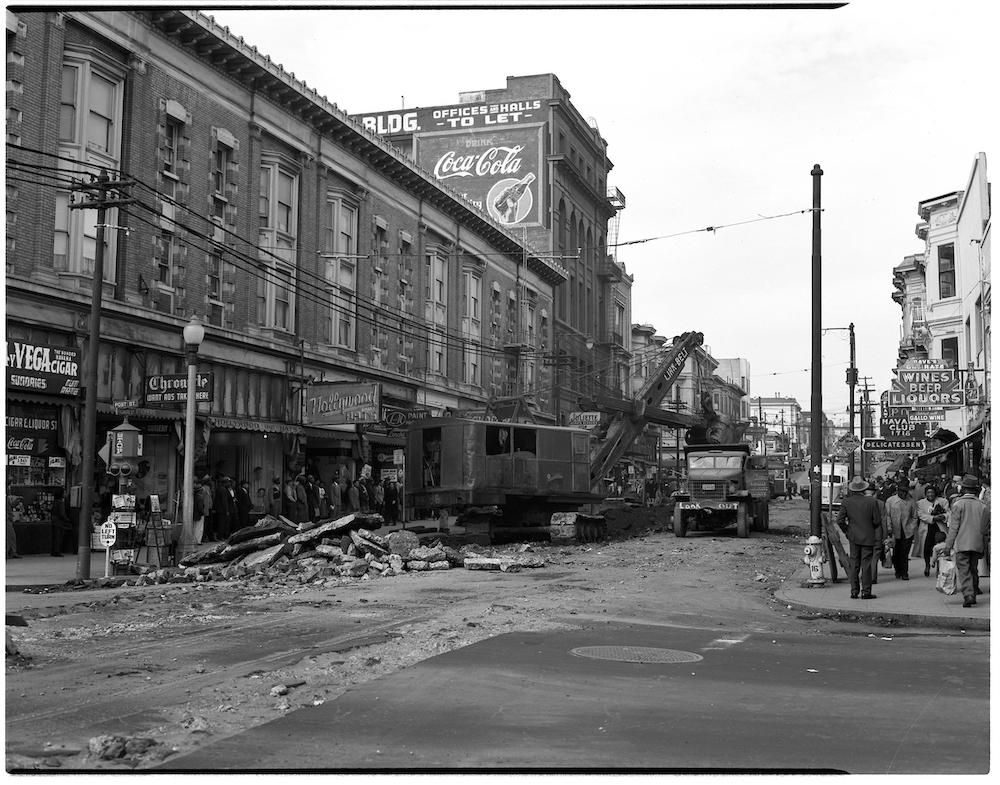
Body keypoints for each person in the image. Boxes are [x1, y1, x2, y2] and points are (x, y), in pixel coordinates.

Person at [943, 474, 990, 608]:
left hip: (962, 544)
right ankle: (974, 589)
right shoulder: (983, 506)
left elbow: (953, 528)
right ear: (975, 490)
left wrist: (948, 546)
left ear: (963, 489)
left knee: (964, 570)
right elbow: (984, 529)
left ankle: (969, 594)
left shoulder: (958, 505)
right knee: (973, 569)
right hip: (977, 543)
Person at [836, 475, 884, 599]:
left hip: (853, 537)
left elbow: (840, 520)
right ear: (864, 489)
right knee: (866, 564)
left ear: (852, 490)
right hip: (868, 536)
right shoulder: (872, 502)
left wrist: (848, 531)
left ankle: (854, 591)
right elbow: (877, 521)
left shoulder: (847, 502)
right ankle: (866, 591)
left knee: (854, 564)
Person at [885, 480, 918, 580]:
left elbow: (914, 516)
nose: (903, 493)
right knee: (896, 552)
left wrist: (912, 527)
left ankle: (904, 572)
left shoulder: (911, 501)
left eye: (905, 491)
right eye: (901, 491)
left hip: (907, 531)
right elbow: (887, 516)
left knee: (904, 552)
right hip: (895, 530)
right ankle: (897, 570)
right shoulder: (890, 501)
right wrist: (889, 527)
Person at [916, 485, 949, 577]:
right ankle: (927, 565)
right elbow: (920, 515)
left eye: (932, 492)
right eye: (928, 493)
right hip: (927, 528)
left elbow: (948, 512)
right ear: (925, 494)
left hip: (939, 528)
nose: (930, 494)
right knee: (926, 548)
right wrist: (933, 518)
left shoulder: (943, 501)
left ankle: (939, 567)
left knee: (940, 548)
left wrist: (943, 516)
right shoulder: (920, 503)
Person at [49, 487, 74, 556]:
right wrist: (67, 520)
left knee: (55, 537)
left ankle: (54, 551)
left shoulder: (55, 502)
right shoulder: (61, 502)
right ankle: (57, 551)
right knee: (58, 537)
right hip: (59, 522)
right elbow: (62, 513)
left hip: (54, 520)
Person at [213, 476, 236, 541]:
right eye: (228, 482)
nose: (229, 484)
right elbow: (224, 501)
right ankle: (221, 536)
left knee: (222, 523)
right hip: (222, 510)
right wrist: (227, 510)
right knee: (222, 524)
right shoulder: (223, 490)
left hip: (220, 510)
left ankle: (221, 536)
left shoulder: (221, 488)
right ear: (225, 483)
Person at [197, 476, 213, 544]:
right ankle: (202, 537)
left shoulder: (208, 488)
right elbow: (202, 500)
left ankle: (206, 536)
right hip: (204, 509)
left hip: (208, 508)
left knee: (208, 523)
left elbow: (209, 499)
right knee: (203, 524)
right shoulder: (203, 489)